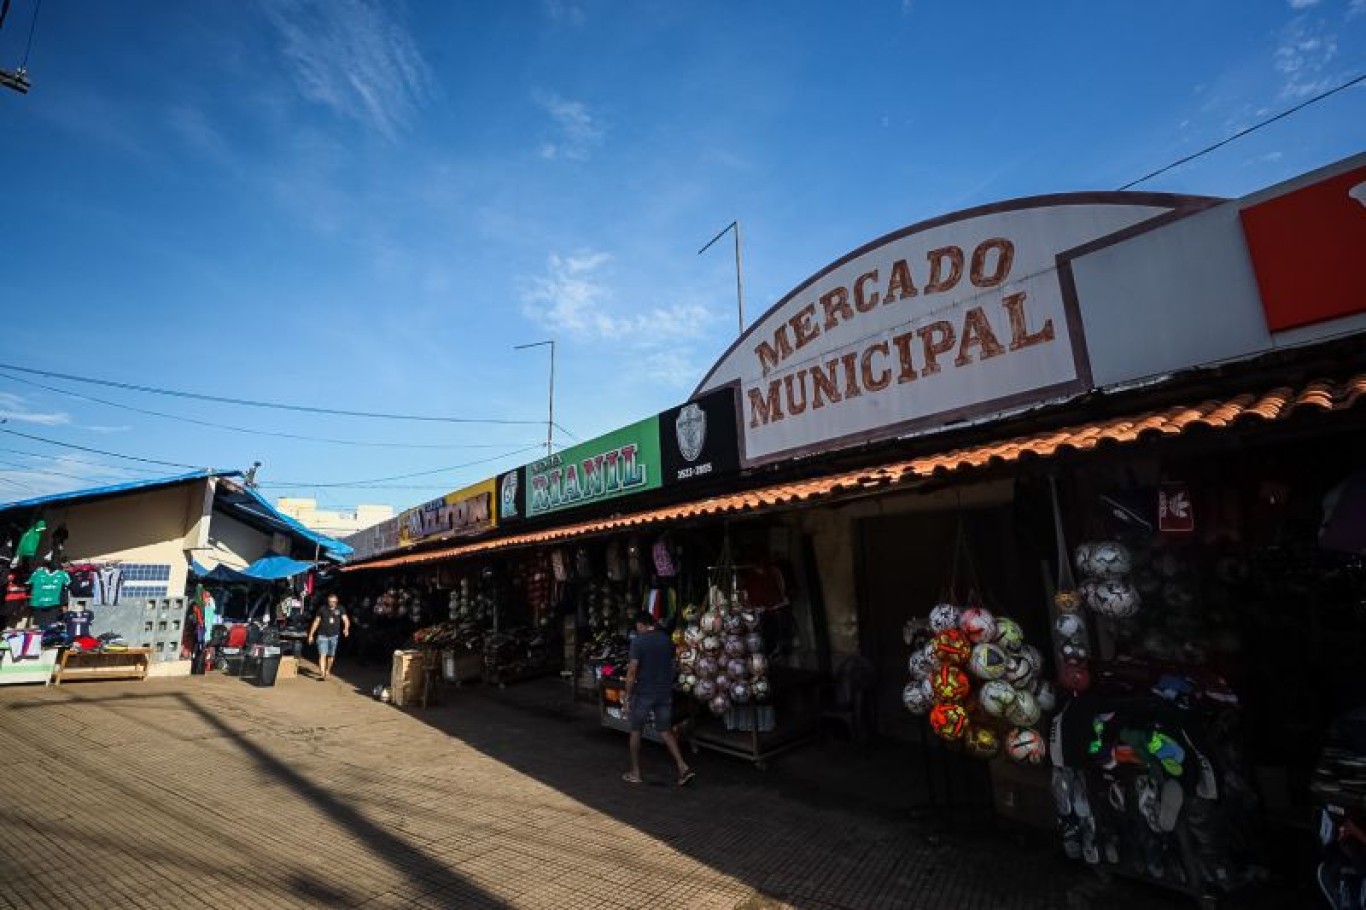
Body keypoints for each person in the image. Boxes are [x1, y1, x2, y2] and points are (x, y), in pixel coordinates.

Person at [622, 611, 694, 786]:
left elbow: (632, 672)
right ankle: (682, 767)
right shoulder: (666, 639)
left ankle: (635, 772)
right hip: (664, 692)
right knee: (665, 730)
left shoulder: (638, 642)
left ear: (640, 625)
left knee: (636, 729)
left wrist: (627, 696)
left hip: (645, 692)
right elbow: (674, 664)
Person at [307, 593, 350, 681]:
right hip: (322, 635)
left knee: (331, 655)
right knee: (322, 654)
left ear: (336, 601)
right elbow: (316, 622)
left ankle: (327, 670)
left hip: (334, 636)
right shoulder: (322, 609)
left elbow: (346, 620)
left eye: (334, 602)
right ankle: (322, 674)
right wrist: (311, 635)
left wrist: (346, 629)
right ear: (328, 601)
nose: (332, 603)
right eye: (331, 602)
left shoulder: (340, 609)